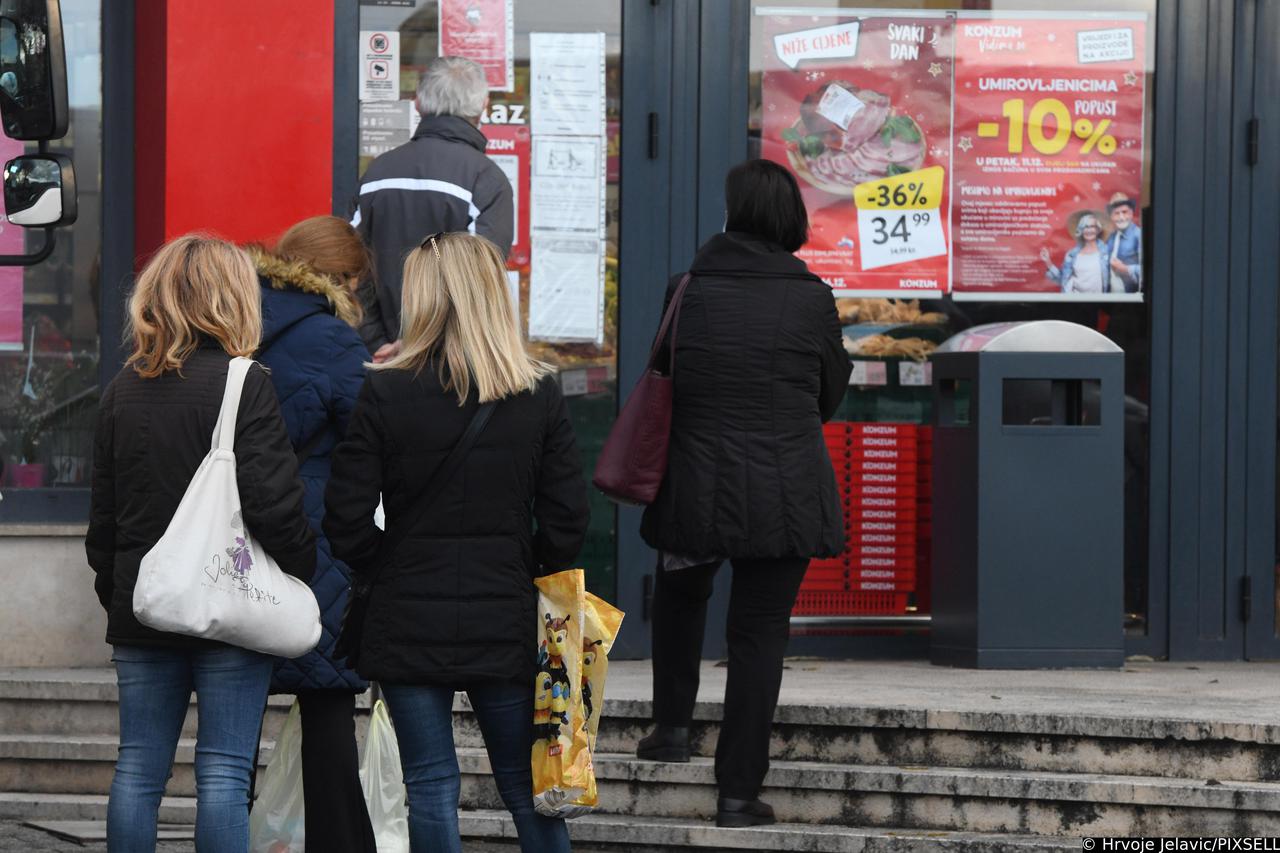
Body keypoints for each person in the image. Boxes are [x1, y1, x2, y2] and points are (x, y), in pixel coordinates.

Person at [323, 232, 588, 853]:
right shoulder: (536, 392)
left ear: (424, 298)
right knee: (530, 789)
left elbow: (345, 517)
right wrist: (529, 568)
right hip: (507, 614)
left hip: (408, 613)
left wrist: (386, 565)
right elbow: (568, 519)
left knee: (431, 785)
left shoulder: (386, 388)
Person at [633, 159, 851, 828]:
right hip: (786, 491)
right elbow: (829, 393)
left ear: (732, 216)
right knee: (758, 636)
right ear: (791, 221)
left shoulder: (687, 288)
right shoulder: (814, 296)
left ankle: (671, 729)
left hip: (694, 484)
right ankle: (736, 792)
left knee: (680, 597)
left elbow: (662, 377)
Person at [85, 235, 315, 853]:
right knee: (223, 771)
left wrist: (121, 593)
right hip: (231, 604)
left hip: (144, 606)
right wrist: (300, 571)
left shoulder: (121, 390)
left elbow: (102, 522)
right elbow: (274, 504)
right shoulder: (246, 384)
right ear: (233, 296)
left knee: (137, 771)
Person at [249, 216, 376, 852]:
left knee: (231, 731)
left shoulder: (230, 322)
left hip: (233, 550)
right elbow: (371, 439)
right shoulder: (332, 340)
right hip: (313, 550)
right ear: (342, 279)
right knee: (328, 714)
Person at [352, 56, 514, 361]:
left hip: (382, 359)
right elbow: (479, 282)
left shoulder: (377, 174)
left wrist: (377, 342)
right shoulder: (486, 179)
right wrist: (422, 344)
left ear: (417, 103)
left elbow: (349, 267)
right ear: (484, 105)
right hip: (455, 364)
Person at [1039, 211, 1113, 294]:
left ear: (1097, 229)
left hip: (1099, 303)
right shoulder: (1071, 255)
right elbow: (1063, 280)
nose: (1089, 230)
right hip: (1076, 303)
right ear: (1081, 230)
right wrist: (1048, 262)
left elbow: (1114, 281)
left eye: (1092, 226)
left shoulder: (1107, 252)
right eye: (1085, 227)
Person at [1106, 192, 1142, 293]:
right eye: (1116, 213)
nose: (1121, 217)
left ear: (1131, 213)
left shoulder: (1138, 235)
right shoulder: (1112, 238)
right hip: (1112, 298)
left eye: (1124, 212)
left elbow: (1150, 271)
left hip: (1131, 298)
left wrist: (1124, 268)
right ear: (1111, 217)